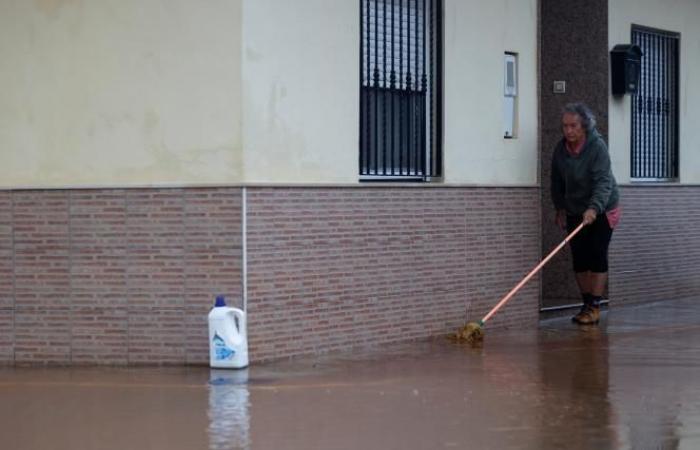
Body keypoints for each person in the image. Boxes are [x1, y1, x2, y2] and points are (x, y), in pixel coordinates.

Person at [551, 102, 620, 325]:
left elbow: (603, 182)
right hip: (575, 207)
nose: (568, 131)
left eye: (573, 126)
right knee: (580, 258)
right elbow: (556, 181)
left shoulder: (597, 147)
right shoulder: (560, 150)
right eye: (565, 126)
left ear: (584, 127)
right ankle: (586, 303)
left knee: (597, 254)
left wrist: (594, 208)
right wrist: (560, 207)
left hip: (603, 207)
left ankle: (595, 305)